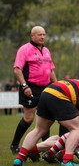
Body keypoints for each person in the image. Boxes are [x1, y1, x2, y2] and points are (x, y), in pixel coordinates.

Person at [13, 79, 79, 166]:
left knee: (39, 130)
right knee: (77, 128)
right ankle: (67, 160)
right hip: (60, 95)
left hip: (47, 92)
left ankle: (19, 158)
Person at [10, 26, 57, 154]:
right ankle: (14, 144)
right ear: (32, 36)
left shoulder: (46, 50)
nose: (42, 37)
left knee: (45, 118)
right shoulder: (24, 49)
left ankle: (44, 148)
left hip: (46, 88)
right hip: (30, 87)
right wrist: (25, 86)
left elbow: (51, 70)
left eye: (44, 34)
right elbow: (17, 69)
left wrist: (57, 85)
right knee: (29, 118)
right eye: (39, 34)